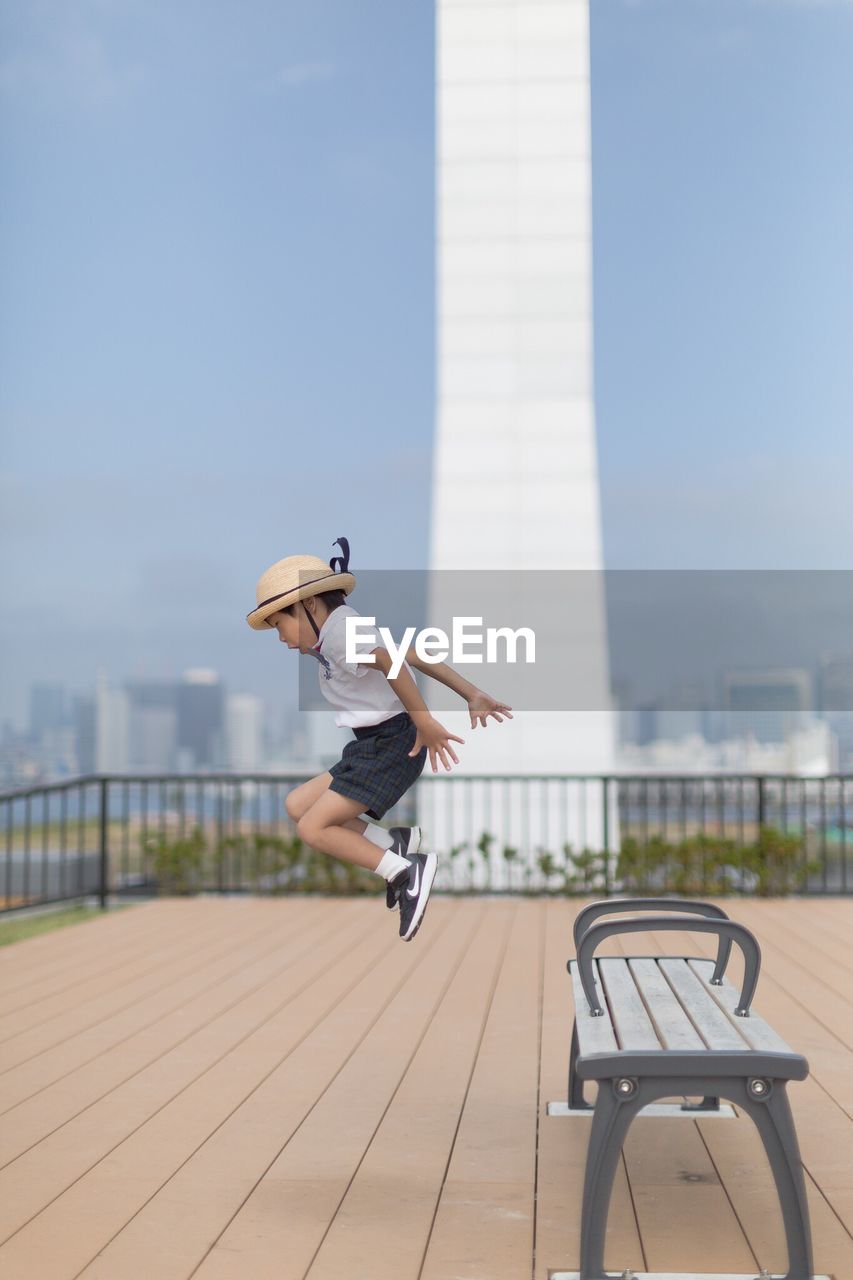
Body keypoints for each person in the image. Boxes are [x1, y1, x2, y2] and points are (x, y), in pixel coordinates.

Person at [246, 537, 512, 941]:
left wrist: (424, 721)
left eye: (280, 624)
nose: (281, 637)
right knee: (298, 804)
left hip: (391, 742)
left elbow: (391, 662)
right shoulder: (342, 630)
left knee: (313, 828)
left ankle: (405, 872)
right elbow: (413, 653)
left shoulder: (340, 635)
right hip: (371, 743)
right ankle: (396, 843)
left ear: (308, 606)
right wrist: (470, 693)